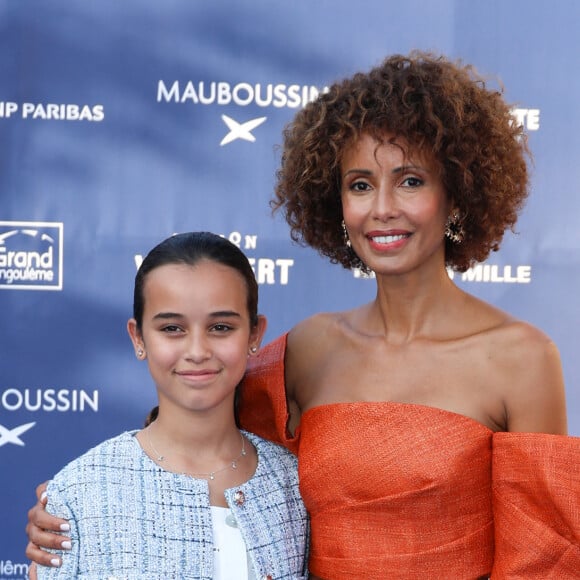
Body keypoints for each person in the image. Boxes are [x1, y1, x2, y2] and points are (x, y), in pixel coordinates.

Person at [26, 52, 580, 578]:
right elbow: (204, 435)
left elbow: (542, 561)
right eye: (360, 185)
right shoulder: (308, 349)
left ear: (456, 194)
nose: (383, 207)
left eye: (410, 180)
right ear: (335, 204)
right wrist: (84, 503)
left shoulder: (521, 358)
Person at [30, 231, 309, 579]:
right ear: (138, 337)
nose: (197, 351)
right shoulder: (81, 492)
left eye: (221, 327)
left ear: (254, 334)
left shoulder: (294, 486)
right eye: (173, 328)